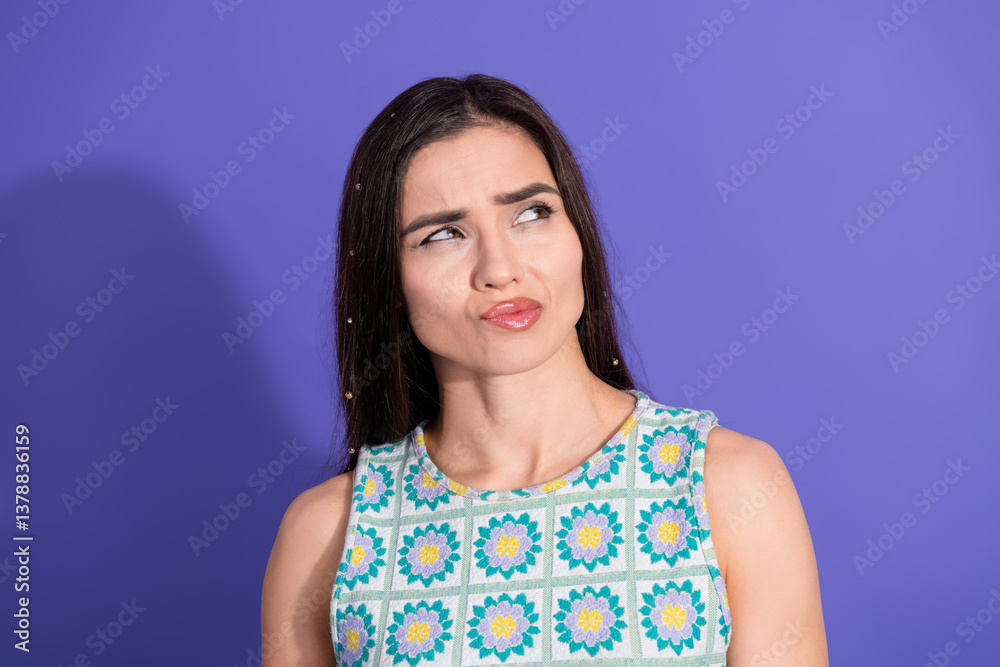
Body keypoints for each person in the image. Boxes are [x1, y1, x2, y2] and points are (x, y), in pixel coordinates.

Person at [261, 73, 828, 665]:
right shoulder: (327, 536)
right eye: (444, 234)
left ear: (577, 231)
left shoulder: (729, 487)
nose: (500, 268)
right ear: (389, 280)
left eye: (531, 213)